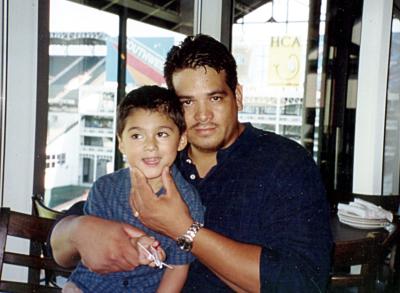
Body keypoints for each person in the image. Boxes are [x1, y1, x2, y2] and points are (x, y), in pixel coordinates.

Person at [50, 34, 332, 292]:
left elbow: (302, 283)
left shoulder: (283, 163)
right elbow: (59, 247)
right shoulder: (159, 156)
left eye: (215, 98)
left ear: (238, 96)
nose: (202, 115)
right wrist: (78, 230)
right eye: (187, 103)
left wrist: (183, 230)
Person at [61, 85, 204, 293]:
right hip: (88, 286)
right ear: (121, 143)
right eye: (137, 136)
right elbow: (92, 249)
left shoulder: (189, 201)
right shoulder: (104, 189)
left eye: (162, 134)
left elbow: (179, 267)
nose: (150, 146)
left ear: (181, 140)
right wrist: (134, 244)